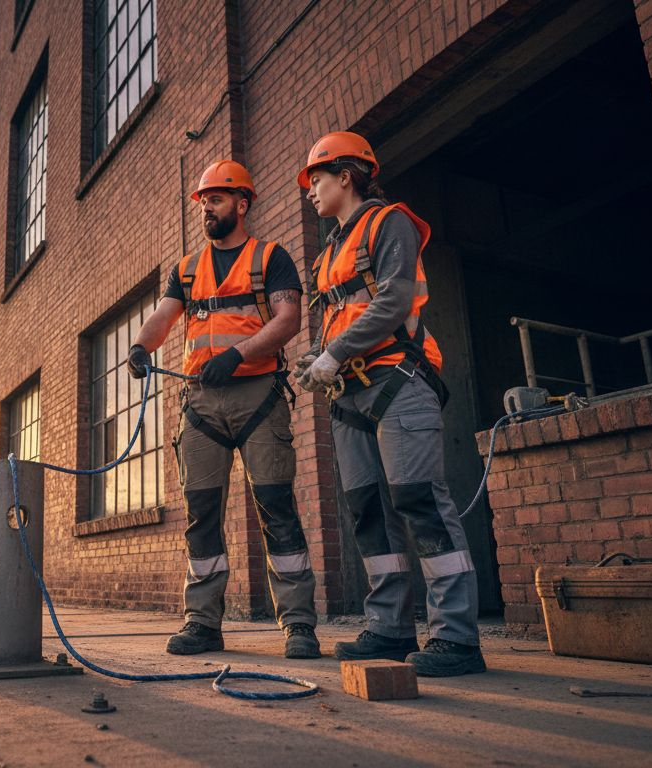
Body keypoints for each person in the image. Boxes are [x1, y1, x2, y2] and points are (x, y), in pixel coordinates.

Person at [294, 132, 485, 676]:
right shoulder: (329, 250)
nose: (310, 191)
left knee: (419, 501)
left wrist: (333, 353)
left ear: (346, 176)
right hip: (348, 393)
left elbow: (394, 300)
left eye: (316, 179)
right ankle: (390, 627)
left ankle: (456, 638)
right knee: (369, 513)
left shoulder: (389, 222)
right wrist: (316, 359)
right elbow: (340, 319)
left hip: (398, 380)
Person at [128, 160, 320, 659]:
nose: (206, 208)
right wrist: (141, 349)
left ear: (242, 202)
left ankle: (299, 625)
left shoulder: (271, 257)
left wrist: (238, 354)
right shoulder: (186, 269)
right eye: (203, 200)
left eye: (215, 198)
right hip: (201, 405)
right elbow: (164, 317)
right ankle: (203, 623)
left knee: (277, 507)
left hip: (258, 395)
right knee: (202, 514)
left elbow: (289, 317)